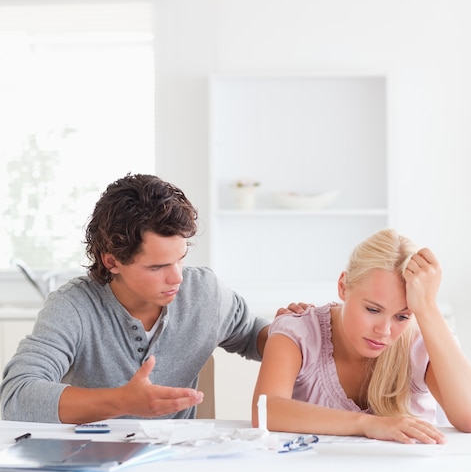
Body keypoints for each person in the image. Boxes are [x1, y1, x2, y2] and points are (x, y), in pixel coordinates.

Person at [1, 173, 273, 424]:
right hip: (94, 462)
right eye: (157, 267)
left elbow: (253, 334)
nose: (177, 277)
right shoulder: (73, 307)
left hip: (178, 462)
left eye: (180, 259)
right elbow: (15, 396)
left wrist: (297, 330)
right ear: (112, 261)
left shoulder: (204, 292)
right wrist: (121, 402)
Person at [252, 228, 471, 444]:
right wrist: (367, 424)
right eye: (373, 310)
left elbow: (468, 418)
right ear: (343, 287)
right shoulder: (298, 332)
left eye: (402, 316)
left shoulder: (421, 342)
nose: (384, 331)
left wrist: (427, 308)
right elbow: (266, 410)